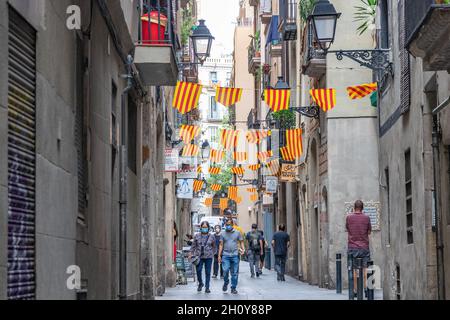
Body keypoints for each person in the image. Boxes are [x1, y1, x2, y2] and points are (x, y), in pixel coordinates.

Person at [346, 200, 372, 296]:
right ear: (362, 208)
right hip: (364, 247)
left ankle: (355, 290)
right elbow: (369, 232)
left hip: (352, 247)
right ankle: (365, 289)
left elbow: (348, 230)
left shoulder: (349, 217)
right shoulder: (367, 218)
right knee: (365, 268)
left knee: (354, 269)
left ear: (354, 207)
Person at [218, 218, 245, 294]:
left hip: (235, 255)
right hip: (225, 255)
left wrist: (243, 249)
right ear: (225, 225)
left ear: (232, 225)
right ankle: (226, 282)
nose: (228, 226)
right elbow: (221, 245)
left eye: (229, 224)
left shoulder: (237, 233)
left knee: (235, 273)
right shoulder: (222, 233)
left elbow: (241, 241)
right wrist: (219, 255)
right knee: (225, 271)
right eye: (227, 224)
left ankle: (233, 288)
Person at [190, 221, 216, 293]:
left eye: (206, 227)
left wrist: (213, 254)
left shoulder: (212, 236)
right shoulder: (197, 236)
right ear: (200, 227)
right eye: (203, 227)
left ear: (208, 228)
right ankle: (200, 283)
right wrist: (191, 253)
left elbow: (214, 246)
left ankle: (207, 287)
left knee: (208, 272)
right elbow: (193, 246)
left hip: (208, 257)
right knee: (198, 270)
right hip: (199, 256)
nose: (204, 228)